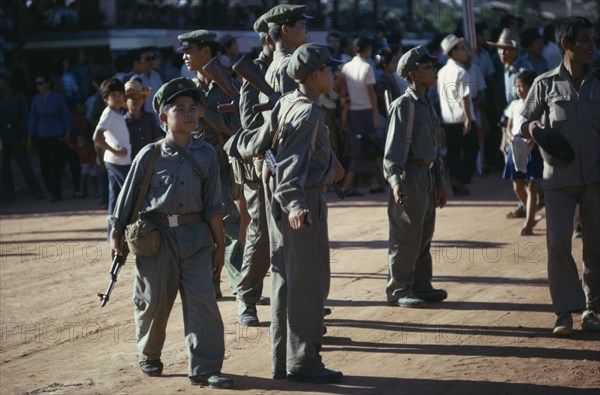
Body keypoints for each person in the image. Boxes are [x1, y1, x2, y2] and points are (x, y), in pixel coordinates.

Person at [108, 77, 233, 389]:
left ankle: (205, 367)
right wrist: (116, 233)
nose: (189, 114)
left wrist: (220, 246)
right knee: (153, 303)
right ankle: (149, 353)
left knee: (204, 303)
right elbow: (127, 198)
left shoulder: (205, 154)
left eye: (193, 108)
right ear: (164, 118)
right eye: (181, 109)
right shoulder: (149, 155)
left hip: (195, 238)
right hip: (157, 240)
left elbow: (213, 206)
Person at [239, 43, 345, 383]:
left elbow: (258, 143)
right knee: (308, 284)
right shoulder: (307, 112)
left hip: (283, 203)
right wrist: (296, 203)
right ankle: (304, 363)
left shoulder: (288, 102)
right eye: (329, 70)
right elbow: (291, 165)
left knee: (286, 282)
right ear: (314, 76)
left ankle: (283, 361)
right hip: (302, 203)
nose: (333, 74)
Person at [519, 16, 599, 337]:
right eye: (584, 40)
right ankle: (564, 311)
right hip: (558, 179)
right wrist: (534, 128)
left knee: (595, 246)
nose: (592, 45)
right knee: (557, 244)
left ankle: (593, 309)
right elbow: (523, 122)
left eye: (593, 39)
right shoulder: (544, 84)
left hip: (596, 178)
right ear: (566, 45)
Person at [177, 29, 243, 298]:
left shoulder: (229, 84)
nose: (185, 56)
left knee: (230, 227)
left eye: (189, 50)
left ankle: (242, 290)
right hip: (191, 170)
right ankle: (210, 287)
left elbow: (238, 127)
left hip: (221, 169)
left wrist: (206, 114)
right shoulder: (184, 90)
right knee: (200, 230)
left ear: (206, 51)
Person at [383, 45, 447, 307]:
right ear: (412, 73)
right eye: (428, 67)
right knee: (406, 235)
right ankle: (399, 289)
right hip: (409, 176)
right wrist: (396, 181)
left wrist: (440, 182)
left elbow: (435, 146)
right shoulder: (404, 105)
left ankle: (421, 284)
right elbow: (393, 150)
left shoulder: (427, 103)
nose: (434, 70)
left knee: (424, 233)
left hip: (427, 176)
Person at [234, 13, 275, 327]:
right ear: (270, 39)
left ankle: (288, 298)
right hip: (262, 162)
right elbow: (249, 123)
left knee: (290, 235)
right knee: (260, 235)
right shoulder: (255, 73)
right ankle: (247, 296)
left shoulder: (290, 69)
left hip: (290, 162)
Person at [488, 28, 534, 217]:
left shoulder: (524, 71)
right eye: (500, 49)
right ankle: (525, 204)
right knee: (515, 164)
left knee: (525, 167)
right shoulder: (507, 69)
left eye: (506, 49)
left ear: (516, 50)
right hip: (511, 121)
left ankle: (530, 204)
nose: (502, 53)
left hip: (523, 124)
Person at [338, 36, 385, 196]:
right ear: (367, 50)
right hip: (365, 112)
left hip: (352, 112)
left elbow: (339, 87)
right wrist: (377, 116)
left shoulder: (346, 67)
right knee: (363, 148)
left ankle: (372, 183)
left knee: (362, 147)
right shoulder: (367, 67)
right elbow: (371, 94)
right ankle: (346, 185)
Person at [502, 70, 543, 235]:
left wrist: (531, 140)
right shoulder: (514, 105)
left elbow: (540, 123)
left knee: (532, 185)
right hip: (517, 144)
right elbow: (509, 126)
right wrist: (511, 137)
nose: (519, 90)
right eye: (516, 86)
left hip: (532, 144)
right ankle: (531, 212)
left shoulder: (537, 104)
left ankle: (528, 224)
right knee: (517, 185)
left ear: (531, 87)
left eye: (522, 86)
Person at [437, 34, 478, 196]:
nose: (465, 50)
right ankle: (460, 178)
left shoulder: (442, 72)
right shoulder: (461, 71)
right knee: (471, 149)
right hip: (462, 117)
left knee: (453, 151)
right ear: (453, 52)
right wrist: (468, 118)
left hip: (448, 118)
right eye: (462, 48)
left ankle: (455, 179)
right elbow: (464, 96)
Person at [92, 78, 131, 227]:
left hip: (117, 160)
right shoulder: (108, 113)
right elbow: (96, 137)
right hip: (118, 161)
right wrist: (115, 151)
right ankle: (121, 230)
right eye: (113, 95)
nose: (118, 98)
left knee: (115, 198)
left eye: (120, 94)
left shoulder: (118, 112)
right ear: (105, 98)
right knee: (129, 194)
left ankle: (112, 232)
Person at [0, 70, 44, 201]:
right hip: (3, 133)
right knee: (4, 166)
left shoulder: (18, 97)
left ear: (7, 82)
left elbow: (25, 118)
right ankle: (9, 193)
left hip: (16, 133)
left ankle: (35, 190)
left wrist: (25, 137)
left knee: (24, 164)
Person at [28, 73, 71, 202]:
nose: (38, 86)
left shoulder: (57, 98)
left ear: (48, 84)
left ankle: (56, 191)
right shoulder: (36, 99)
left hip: (56, 134)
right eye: (37, 84)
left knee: (55, 164)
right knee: (44, 166)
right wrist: (30, 136)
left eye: (41, 83)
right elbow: (33, 118)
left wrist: (67, 132)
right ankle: (51, 189)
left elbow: (65, 115)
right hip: (42, 135)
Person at [123, 80, 162, 160]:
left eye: (140, 98)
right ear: (126, 100)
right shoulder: (123, 122)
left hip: (150, 160)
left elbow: (157, 138)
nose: (137, 101)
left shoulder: (149, 117)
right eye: (133, 98)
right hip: (131, 162)